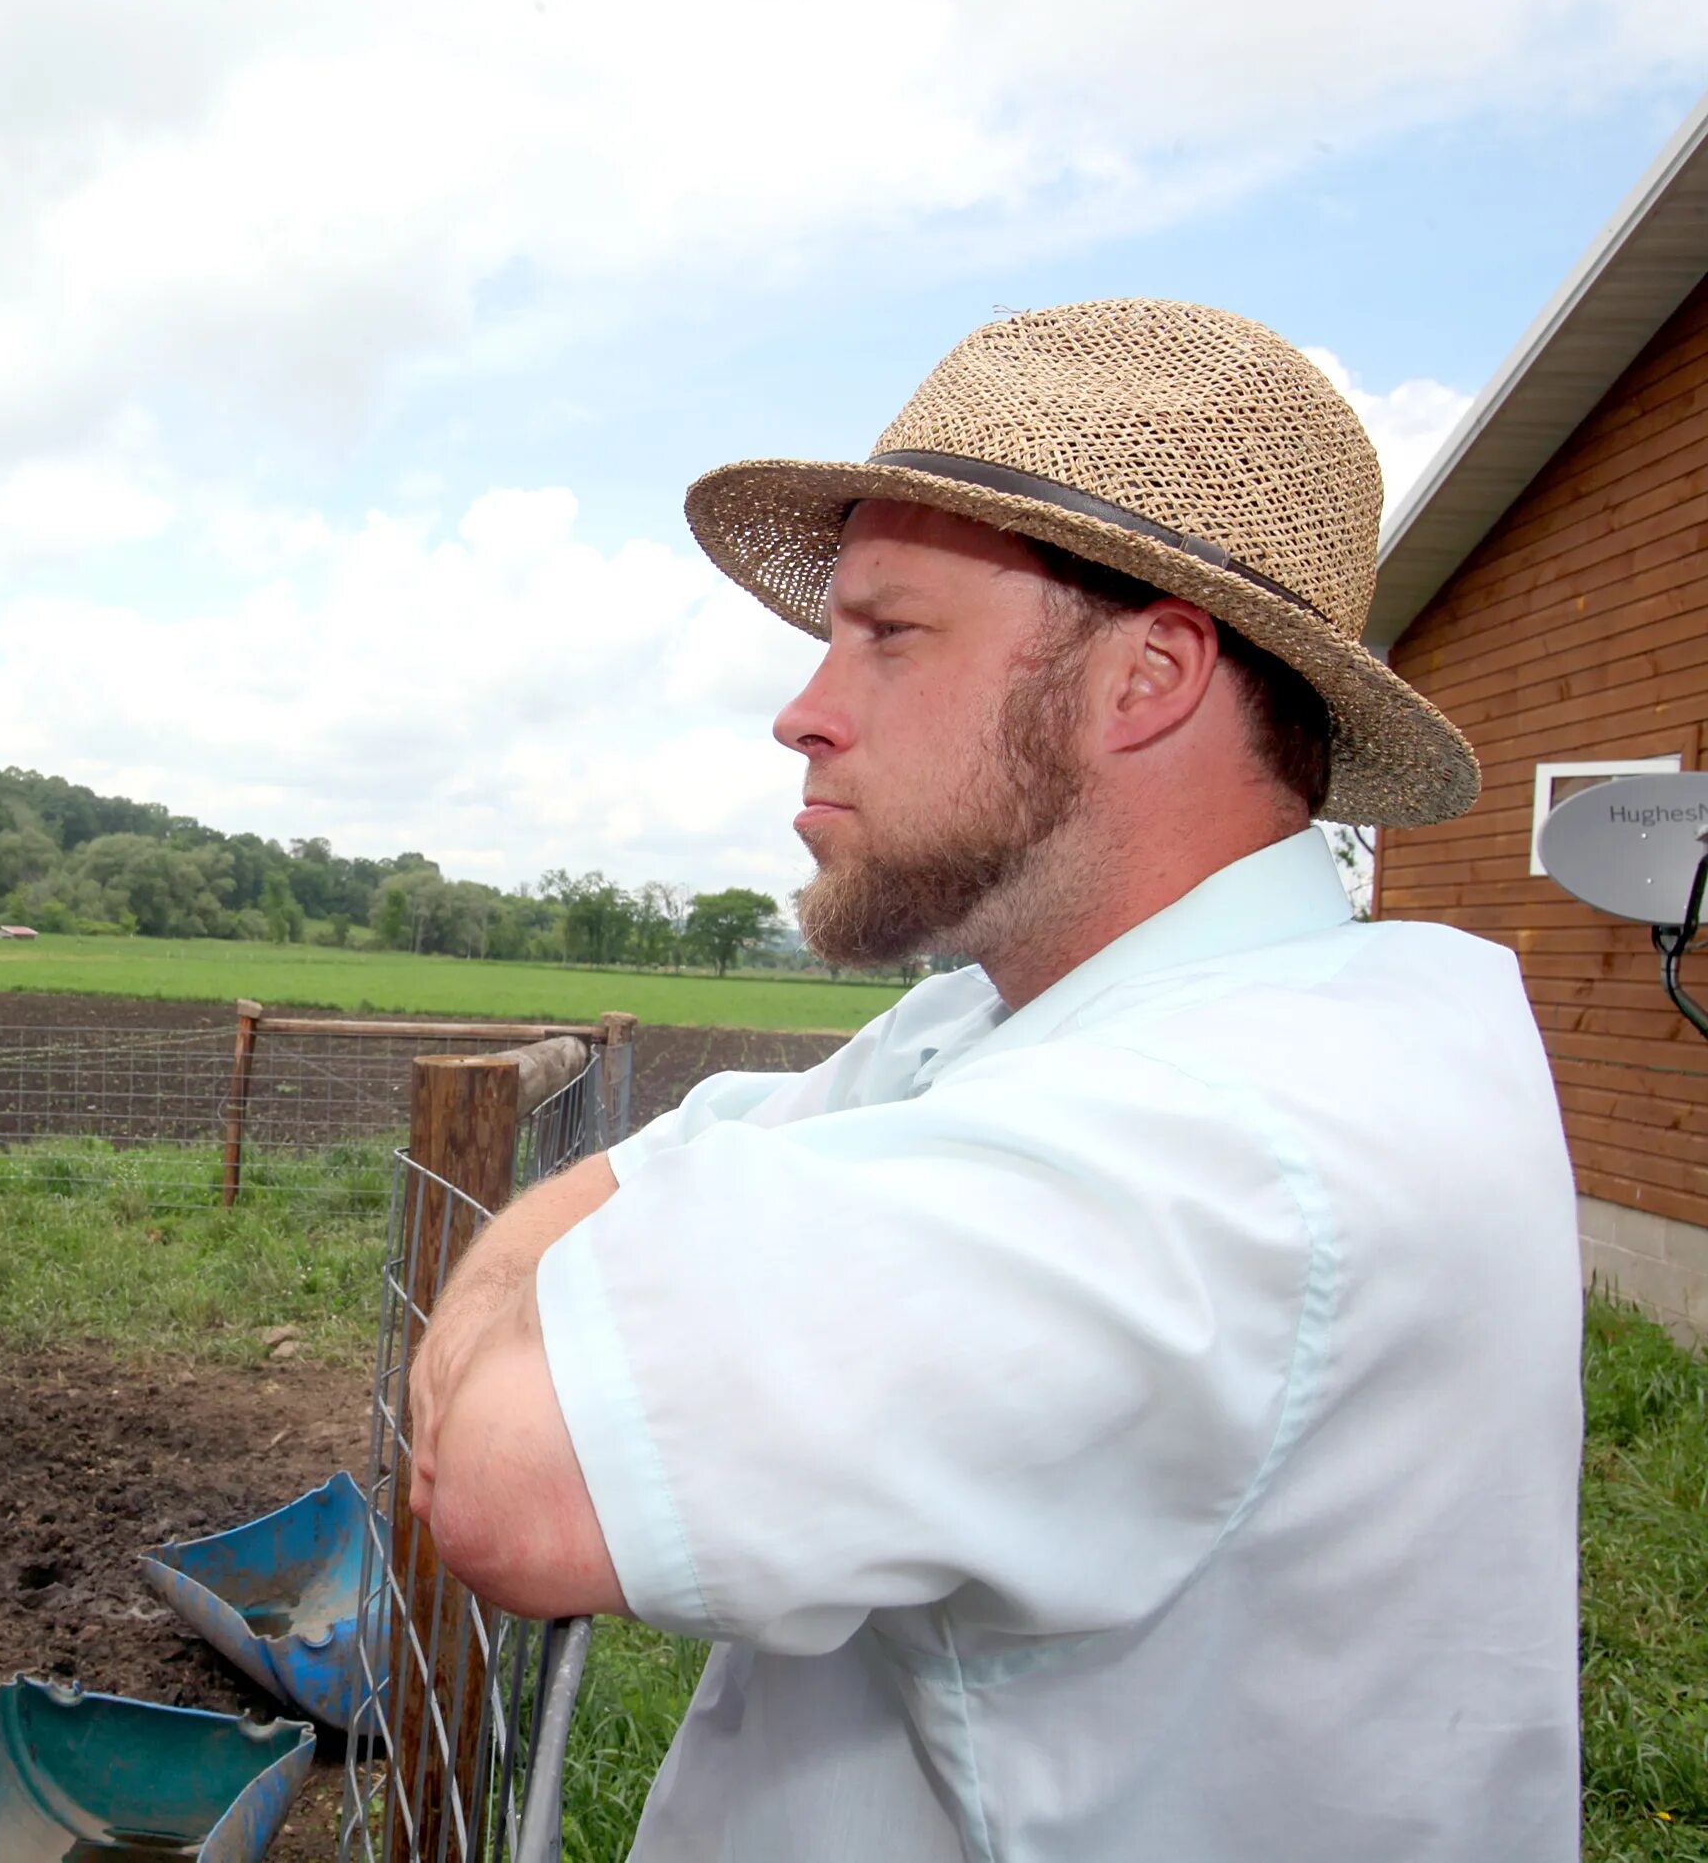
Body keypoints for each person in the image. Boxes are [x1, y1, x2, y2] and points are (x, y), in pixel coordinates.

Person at [408, 299, 1581, 1860]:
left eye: (889, 634)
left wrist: (507, 1295)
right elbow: (689, 1146)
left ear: (1147, 674)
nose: (802, 709)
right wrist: (604, 1248)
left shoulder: (1207, 1142)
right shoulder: (1098, 1016)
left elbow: (499, 1477)